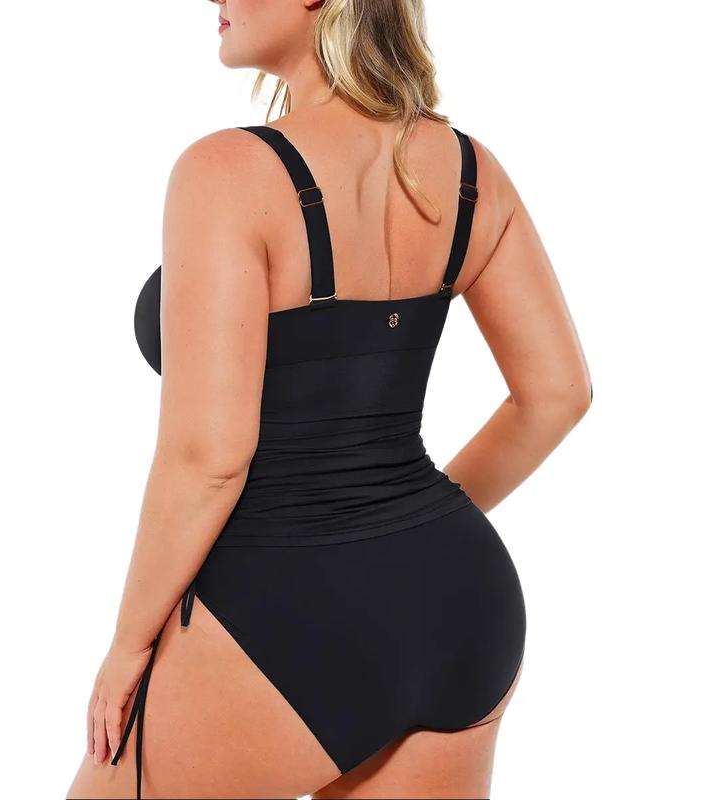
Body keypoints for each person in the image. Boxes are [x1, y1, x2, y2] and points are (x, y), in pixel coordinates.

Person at [67, 0, 592, 797]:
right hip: (461, 606)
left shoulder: (226, 172)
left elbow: (209, 459)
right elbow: (557, 393)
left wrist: (128, 644)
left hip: (284, 612)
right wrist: (406, 532)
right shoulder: (471, 171)